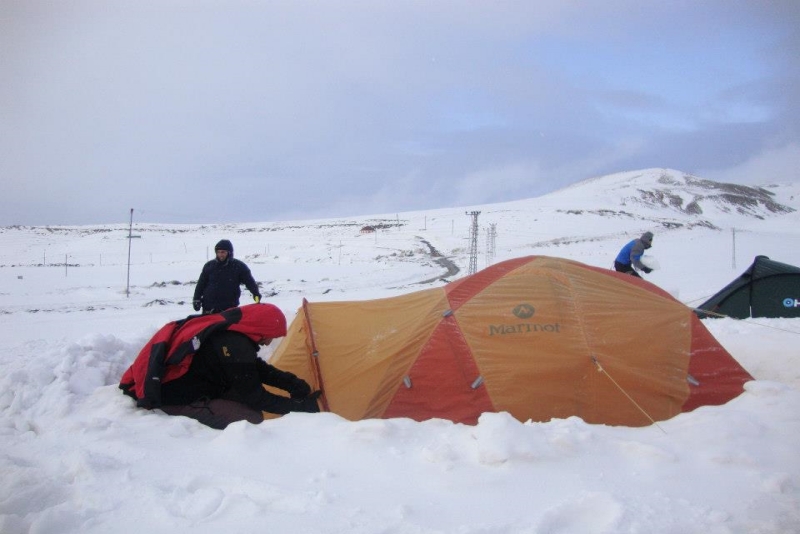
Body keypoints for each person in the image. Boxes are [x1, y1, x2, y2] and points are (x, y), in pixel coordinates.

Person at [119, 304, 321, 429]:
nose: (269, 343)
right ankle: (212, 451)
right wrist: (299, 408)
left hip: (198, 388)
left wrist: (292, 384)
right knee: (251, 418)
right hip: (174, 399)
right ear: (262, 329)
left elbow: (256, 369)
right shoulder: (234, 345)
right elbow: (255, 396)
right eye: (271, 336)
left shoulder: (232, 336)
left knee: (245, 402)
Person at [193, 239, 261, 314]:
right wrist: (196, 299)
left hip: (229, 309)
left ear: (229, 252)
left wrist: (256, 294)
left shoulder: (239, 266)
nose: (220, 255)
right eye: (218, 252)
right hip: (209, 308)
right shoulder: (209, 266)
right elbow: (201, 284)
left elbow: (249, 282)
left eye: (223, 252)